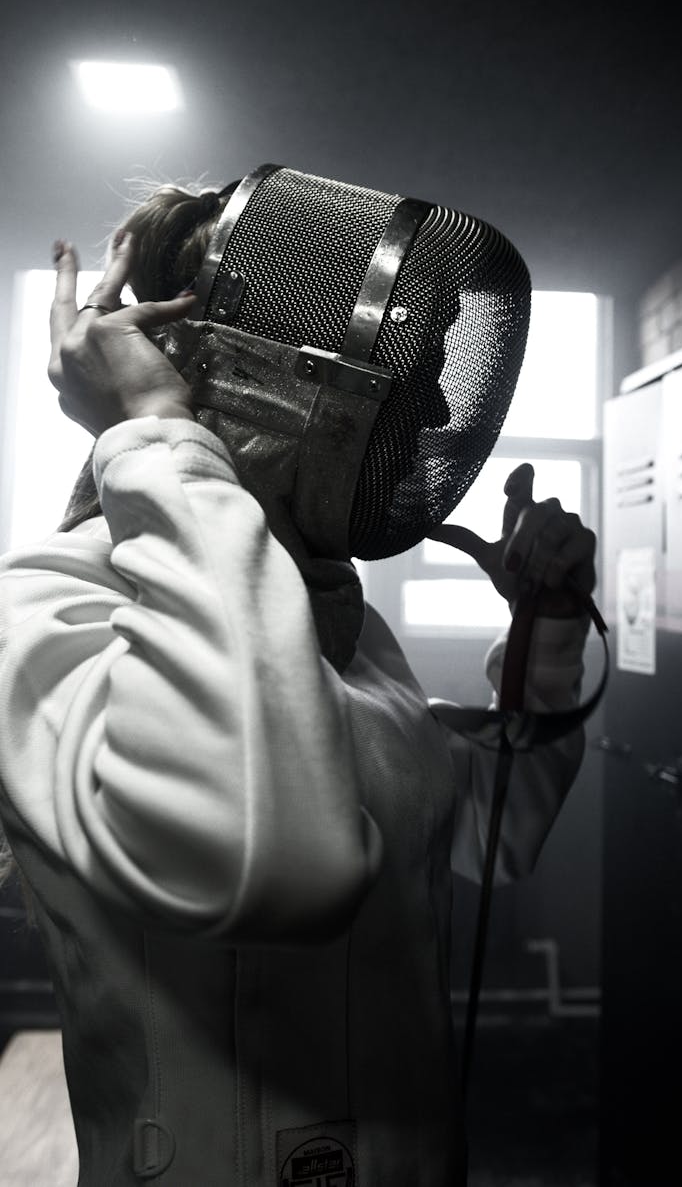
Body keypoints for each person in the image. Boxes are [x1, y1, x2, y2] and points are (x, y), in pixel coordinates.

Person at [0, 174, 596, 1186]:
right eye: (402, 365)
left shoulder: (336, 623)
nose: (439, 402)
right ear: (234, 371)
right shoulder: (54, 609)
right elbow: (266, 859)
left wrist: (543, 636)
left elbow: (480, 830)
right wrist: (149, 433)